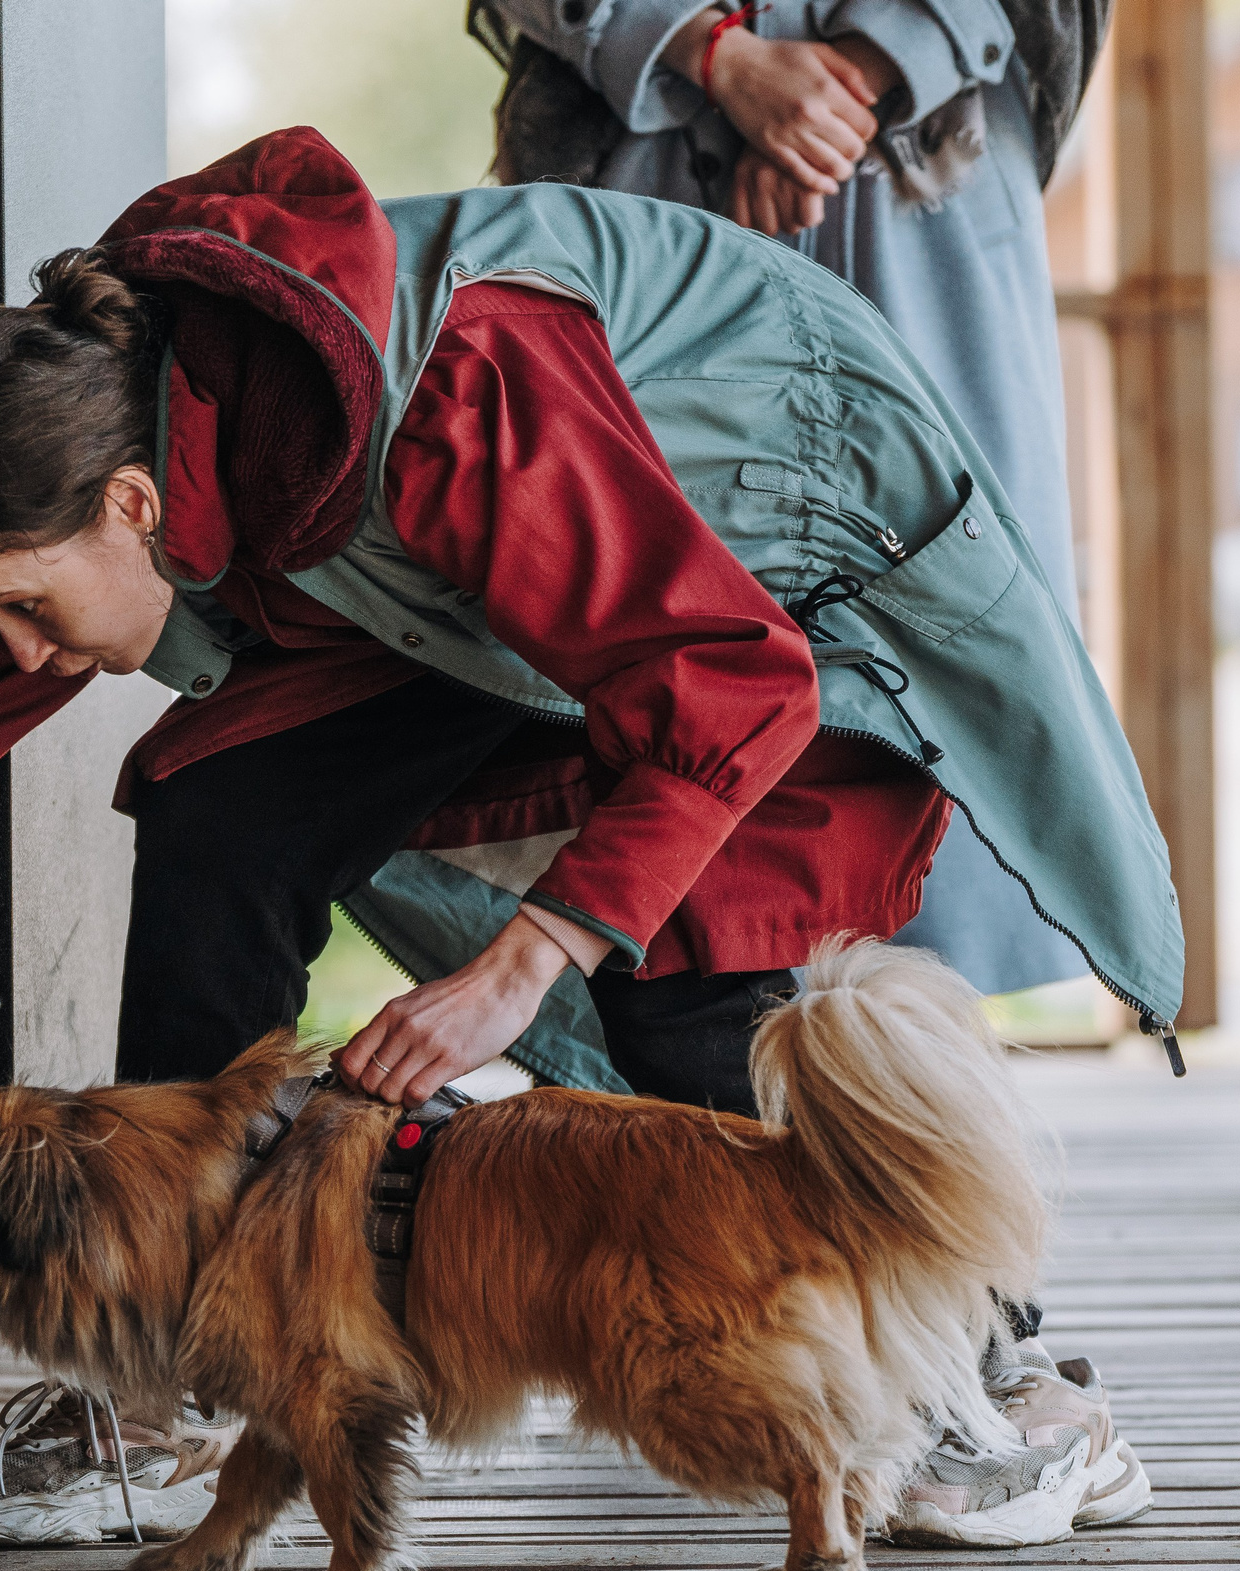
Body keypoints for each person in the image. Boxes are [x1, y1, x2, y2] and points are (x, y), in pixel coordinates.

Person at [0, 129, 1172, 1551]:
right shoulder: (69, 443)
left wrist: (523, 962)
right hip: (480, 591)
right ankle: (184, 1378)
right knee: (224, 823)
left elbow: (729, 688)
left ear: (131, 507)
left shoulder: (457, 397)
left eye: (34, 615)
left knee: (687, 964)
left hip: (773, 552)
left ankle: (994, 1379)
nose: (26, 661)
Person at [472, 0, 1108, 997]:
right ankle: (674, 1048)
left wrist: (846, 81)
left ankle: (906, 1090)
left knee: (935, 569)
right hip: (644, 162)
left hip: (926, 159)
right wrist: (715, 55)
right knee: (641, 594)